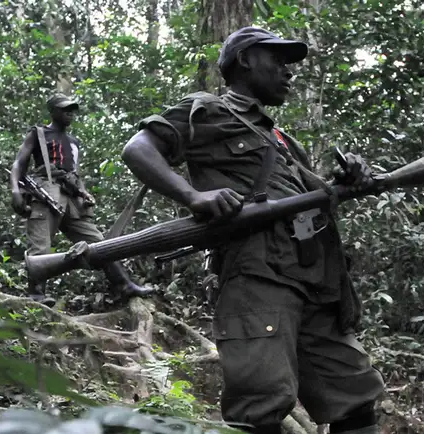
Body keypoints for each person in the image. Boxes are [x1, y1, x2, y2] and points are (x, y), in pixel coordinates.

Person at [120, 27, 384, 434]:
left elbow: (309, 196)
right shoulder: (208, 109)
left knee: (355, 396)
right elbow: (138, 149)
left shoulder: (280, 138)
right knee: (260, 406)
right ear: (244, 60)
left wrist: (349, 179)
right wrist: (193, 196)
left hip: (314, 282)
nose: (288, 71)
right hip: (258, 278)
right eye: (278, 60)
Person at [10, 94, 154, 306]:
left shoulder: (73, 142)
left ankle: (123, 284)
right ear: (53, 111)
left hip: (72, 198)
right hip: (47, 192)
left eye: (72, 109)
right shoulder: (39, 133)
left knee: (99, 243)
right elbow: (18, 164)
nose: (70, 113)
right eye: (64, 109)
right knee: (40, 245)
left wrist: (84, 192)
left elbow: (74, 174)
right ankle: (37, 296)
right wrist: (15, 190)